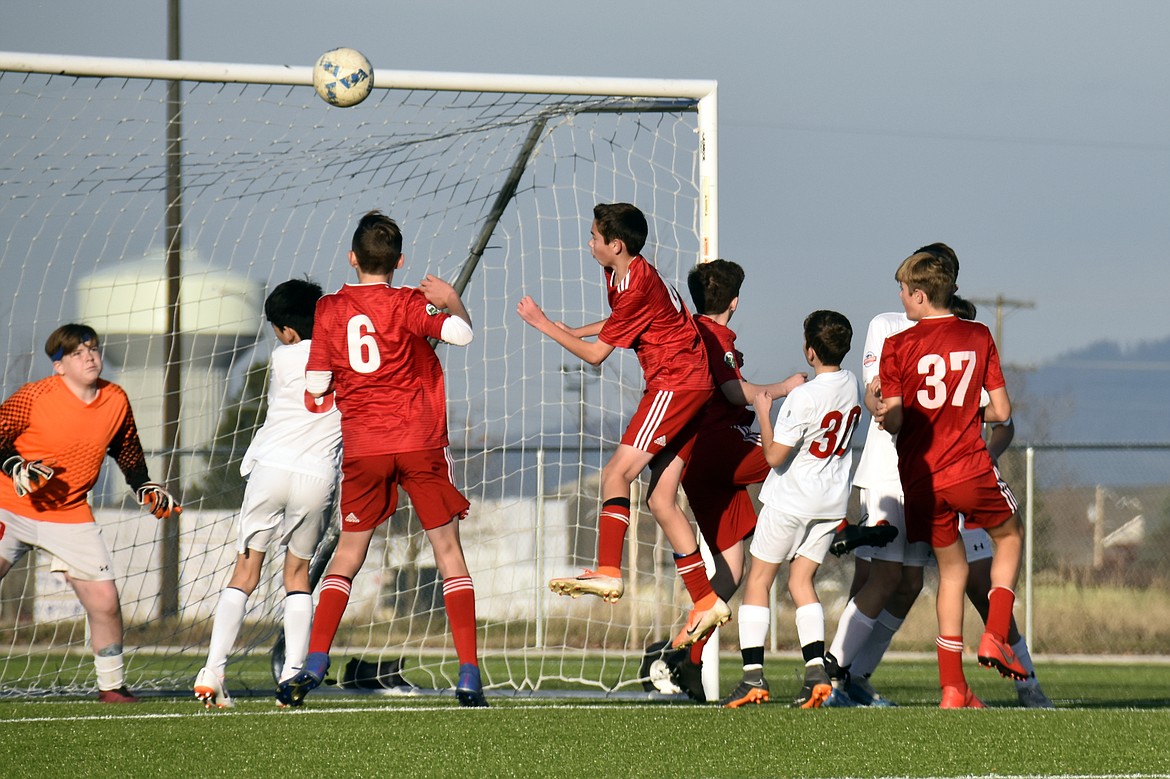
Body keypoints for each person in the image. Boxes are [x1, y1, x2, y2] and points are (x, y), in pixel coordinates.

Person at [277, 210, 487, 707]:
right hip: (419, 441)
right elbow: (461, 335)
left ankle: (316, 659)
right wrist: (451, 302)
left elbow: (316, 385)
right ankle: (469, 672)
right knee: (449, 554)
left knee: (348, 555)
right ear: (400, 262)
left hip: (366, 447)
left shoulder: (330, 309)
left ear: (352, 259)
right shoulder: (411, 302)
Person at [517, 202, 730, 650]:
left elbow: (597, 355)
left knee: (616, 474)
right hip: (690, 385)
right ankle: (705, 599)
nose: (589, 243)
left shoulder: (637, 284)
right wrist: (574, 327)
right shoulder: (620, 273)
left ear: (616, 245)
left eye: (594, 237)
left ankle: (608, 570)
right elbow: (621, 326)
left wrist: (545, 326)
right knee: (662, 500)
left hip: (676, 384)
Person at [835, 290, 1052, 708]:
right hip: (901, 476)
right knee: (887, 581)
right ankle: (838, 676)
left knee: (970, 581)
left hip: (933, 477)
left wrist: (981, 452)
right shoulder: (892, 329)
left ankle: (1016, 684)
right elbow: (878, 400)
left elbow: (1003, 421)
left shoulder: (960, 340)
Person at [876, 247, 1028, 709]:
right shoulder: (978, 335)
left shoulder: (897, 345)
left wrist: (886, 411)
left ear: (919, 296)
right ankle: (996, 635)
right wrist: (965, 408)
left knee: (952, 571)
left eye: (903, 291)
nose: (901, 298)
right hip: (967, 466)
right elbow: (1001, 411)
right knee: (1011, 537)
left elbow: (896, 420)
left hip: (921, 478)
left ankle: (952, 687)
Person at [0, 324, 181, 703]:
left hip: (69, 514)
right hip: (11, 506)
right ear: (58, 366)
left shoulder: (115, 398)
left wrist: (143, 484)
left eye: (94, 349)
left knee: (104, 601)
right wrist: (15, 465)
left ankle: (112, 687)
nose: (90, 357)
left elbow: (127, 447)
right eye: (78, 353)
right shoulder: (33, 396)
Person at [194, 279, 342, 709]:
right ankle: (293, 676)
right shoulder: (342, 357)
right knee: (297, 575)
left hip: (271, 468)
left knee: (245, 570)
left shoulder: (281, 358)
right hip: (317, 475)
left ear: (286, 331)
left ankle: (213, 669)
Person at [719, 310, 861, 709]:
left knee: (758, 580)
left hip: (791, 500)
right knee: (802, 581)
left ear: (809, 349)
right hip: (830, 502)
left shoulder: (802, 398)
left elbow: (774, 455)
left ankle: (752, 678)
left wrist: (765, 410)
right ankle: (815, 671)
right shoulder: (850, 384)